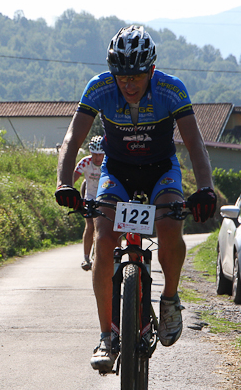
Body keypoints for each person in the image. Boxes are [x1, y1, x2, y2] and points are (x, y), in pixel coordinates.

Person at [54, 25, 216, 373]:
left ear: (152, 70)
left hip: (161, 170)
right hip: (118, 171)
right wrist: (63, 182)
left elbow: (194, 143)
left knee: (170, 225)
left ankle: (169, 299)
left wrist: (206, 187)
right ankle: (106, 336)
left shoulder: (171, 89)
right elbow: (72, 139)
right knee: (103, 237)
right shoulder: (99, 87)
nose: (128, 84)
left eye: (137, 76)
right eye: (122, 76)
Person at [72, 135, 105, 271]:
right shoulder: (85, 162)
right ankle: (86, 258)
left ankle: (106, 256)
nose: (97, 158)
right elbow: (73, 177)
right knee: (90, 225)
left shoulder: (108, 163)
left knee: (104, 227)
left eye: (100, 154)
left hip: (105, 198)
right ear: (91, 152)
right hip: (90, 197)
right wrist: (68, 190)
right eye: (95, 154)